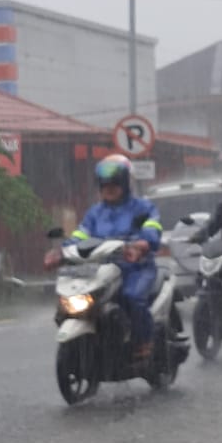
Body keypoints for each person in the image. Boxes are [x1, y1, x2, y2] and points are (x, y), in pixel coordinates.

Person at [70, 154, 164, 360]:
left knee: (132, 298)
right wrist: (62, 251)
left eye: (114, 185)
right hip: (101, 270)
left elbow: (152, 228)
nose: (109, 189)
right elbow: (80, 236)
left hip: (137, 268)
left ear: (125, 184)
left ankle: (144, 341)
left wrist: (141, 244)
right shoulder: (94, 213)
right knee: (76, 297)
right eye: (105, 186)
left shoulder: (143, 208)